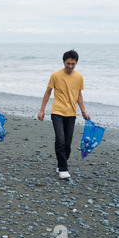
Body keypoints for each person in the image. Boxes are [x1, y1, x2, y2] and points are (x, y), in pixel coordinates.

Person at [38, 50, 91, 179]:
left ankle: (61, 163)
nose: (70, 66)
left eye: (73, 64)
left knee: (67, 143)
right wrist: (42, 110)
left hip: (72, 113)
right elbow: (48, 92)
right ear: (63, 62)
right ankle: (63, 168)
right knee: (60, 140)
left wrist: (84, 111)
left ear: (76, 63)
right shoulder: (55, 75)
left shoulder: (79, 77)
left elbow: (79, 95)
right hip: (57, 112)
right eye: (68, 63)